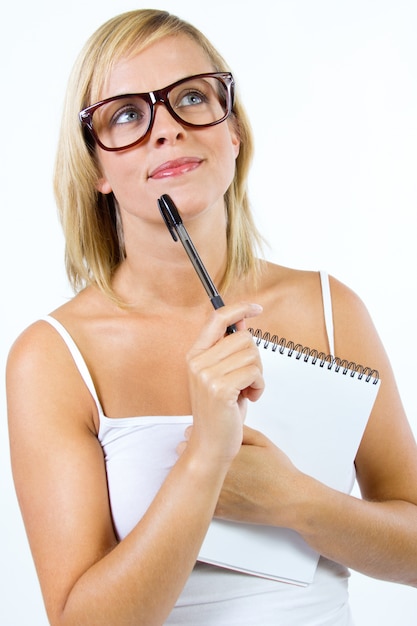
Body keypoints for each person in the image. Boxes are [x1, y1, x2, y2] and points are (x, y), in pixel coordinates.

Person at [6, 8, 417, 626]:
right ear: (96, 169)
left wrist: (296, 501)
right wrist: (204, 462)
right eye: (126, 115)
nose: (166, 129)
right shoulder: (54, 357)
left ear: (234, 133)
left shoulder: (333, 310)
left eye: (192, 98)